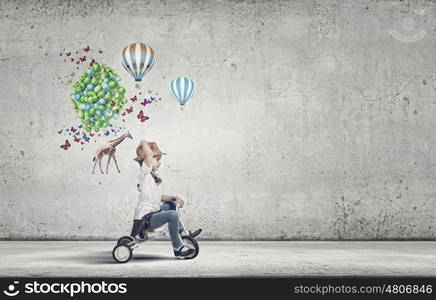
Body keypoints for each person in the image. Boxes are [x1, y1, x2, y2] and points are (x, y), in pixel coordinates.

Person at [130, 140, 199, 258]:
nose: (159, 163)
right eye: (157, 160)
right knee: (172, 215)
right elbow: (149, 156)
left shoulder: (153, 178)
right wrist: (142, 142)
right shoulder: (144, 174)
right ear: (146, 160)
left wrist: (174, 198)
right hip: (145, 219)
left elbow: (158, 197)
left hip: (153, 212)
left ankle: (183, 234)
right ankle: (178, 248)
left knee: (172, 205)